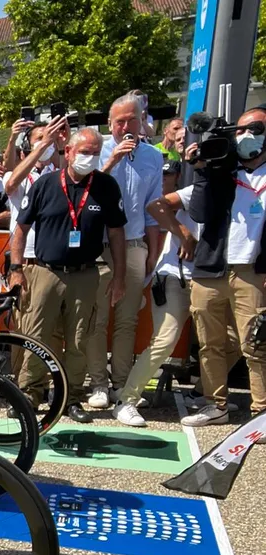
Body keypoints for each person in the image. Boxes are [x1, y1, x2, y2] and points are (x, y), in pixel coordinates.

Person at [10, 127, 128, 423]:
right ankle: (30, 394)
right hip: (45, 273)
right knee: (37, 336)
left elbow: (116, 234)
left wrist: (119, 277)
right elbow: (20, 229)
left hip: (86, 274)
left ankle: (69, 397)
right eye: (85, 152)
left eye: (95, 152)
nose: (90, 158)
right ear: (69, 152)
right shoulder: (45, 184)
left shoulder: (106, 186)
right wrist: (15, 269)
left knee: (79, 340)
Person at [181, 106, 266, 425]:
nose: (245, 136)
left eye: (254, 129)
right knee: (209, 343)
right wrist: (203, 169)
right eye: (240, 130)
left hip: (252, 271)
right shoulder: (223, 172)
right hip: (211, 268)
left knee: (256, 344)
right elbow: (200, 213)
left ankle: (261, 412)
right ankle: (214, 405)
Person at [114, 159, 207, 426]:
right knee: (164, 340)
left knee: (231, 339)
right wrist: (183, 234)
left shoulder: (242, 191)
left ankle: (206, 393)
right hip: (175, 276)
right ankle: (126, 400)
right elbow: (154, 205)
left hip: (212, 279)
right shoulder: (195, 191)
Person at [86, 93, 164, 410]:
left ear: (142, 119)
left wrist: (151, 254)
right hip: (98, 246)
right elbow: (86, 189)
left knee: (127, 319)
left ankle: (121, 383)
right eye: (120, 121)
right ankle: (98, 384)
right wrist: (112, 160)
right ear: (110, 123)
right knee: (97, 319)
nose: (126, 126)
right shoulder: (96, 149)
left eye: (132, 119)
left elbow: (151, 210)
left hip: (134, 244)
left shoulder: (154, 157)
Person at [3, 116, 69, 268]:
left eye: (49, 136)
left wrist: (62, 144)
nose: (46, 140)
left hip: (54, 256)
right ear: (29, 145)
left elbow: (69, 182)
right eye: (40, 138)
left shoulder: (58, 172)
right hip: (25, 256)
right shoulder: (17, 176)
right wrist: (43, 144)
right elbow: (11, 185)